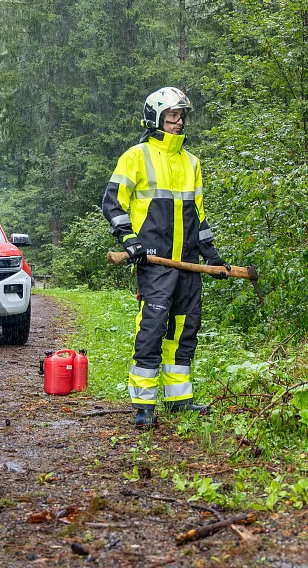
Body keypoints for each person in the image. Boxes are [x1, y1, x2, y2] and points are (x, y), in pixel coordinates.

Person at [101, 86, 229, 428]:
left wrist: (212, 257)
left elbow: (199, 217)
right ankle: (143, 405)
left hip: (188, 265)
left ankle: (179, 401)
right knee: (153, 330)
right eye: (172, 116)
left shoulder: (192, 162)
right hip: (154, 263)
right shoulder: (136, 156)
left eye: (181, 116)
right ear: (156, 119)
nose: (178, 122)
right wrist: (130, 240)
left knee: (185, 331)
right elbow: (112, 202)